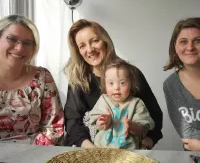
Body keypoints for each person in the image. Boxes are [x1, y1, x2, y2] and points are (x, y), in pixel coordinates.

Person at [64, 19, 163, 149]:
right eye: (82, 46)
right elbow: (73, 122)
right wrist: (94, 152)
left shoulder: (131, 73)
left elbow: (154, 115)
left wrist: (145, 143)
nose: (90, 50)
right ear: (78, 51)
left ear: (105, 41)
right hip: (90, 150)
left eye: (94, 41)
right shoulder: (77, 80)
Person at [0, 14, 64, 145]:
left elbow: (54, 127)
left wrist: (29, 153)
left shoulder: (42, 77)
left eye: (27, 43)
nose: (19, 48)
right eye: (12, 39)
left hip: (34, 154)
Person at [89, 58, 155, 149]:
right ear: (104, 84)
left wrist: (131, 126)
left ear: (131, 84)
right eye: (111, 83)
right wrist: (102, 122)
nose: (116, 87)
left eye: (122, 83)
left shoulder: (136, 103)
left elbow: (142, 129)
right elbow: (95, 125)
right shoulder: (103, 100)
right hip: (102, 150)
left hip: (128, 151)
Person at [163, 17, 200, 151]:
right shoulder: (171, 85)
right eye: (183, 41)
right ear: (175, 47)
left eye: (198, 41)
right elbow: (188, 136)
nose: (190, 47)